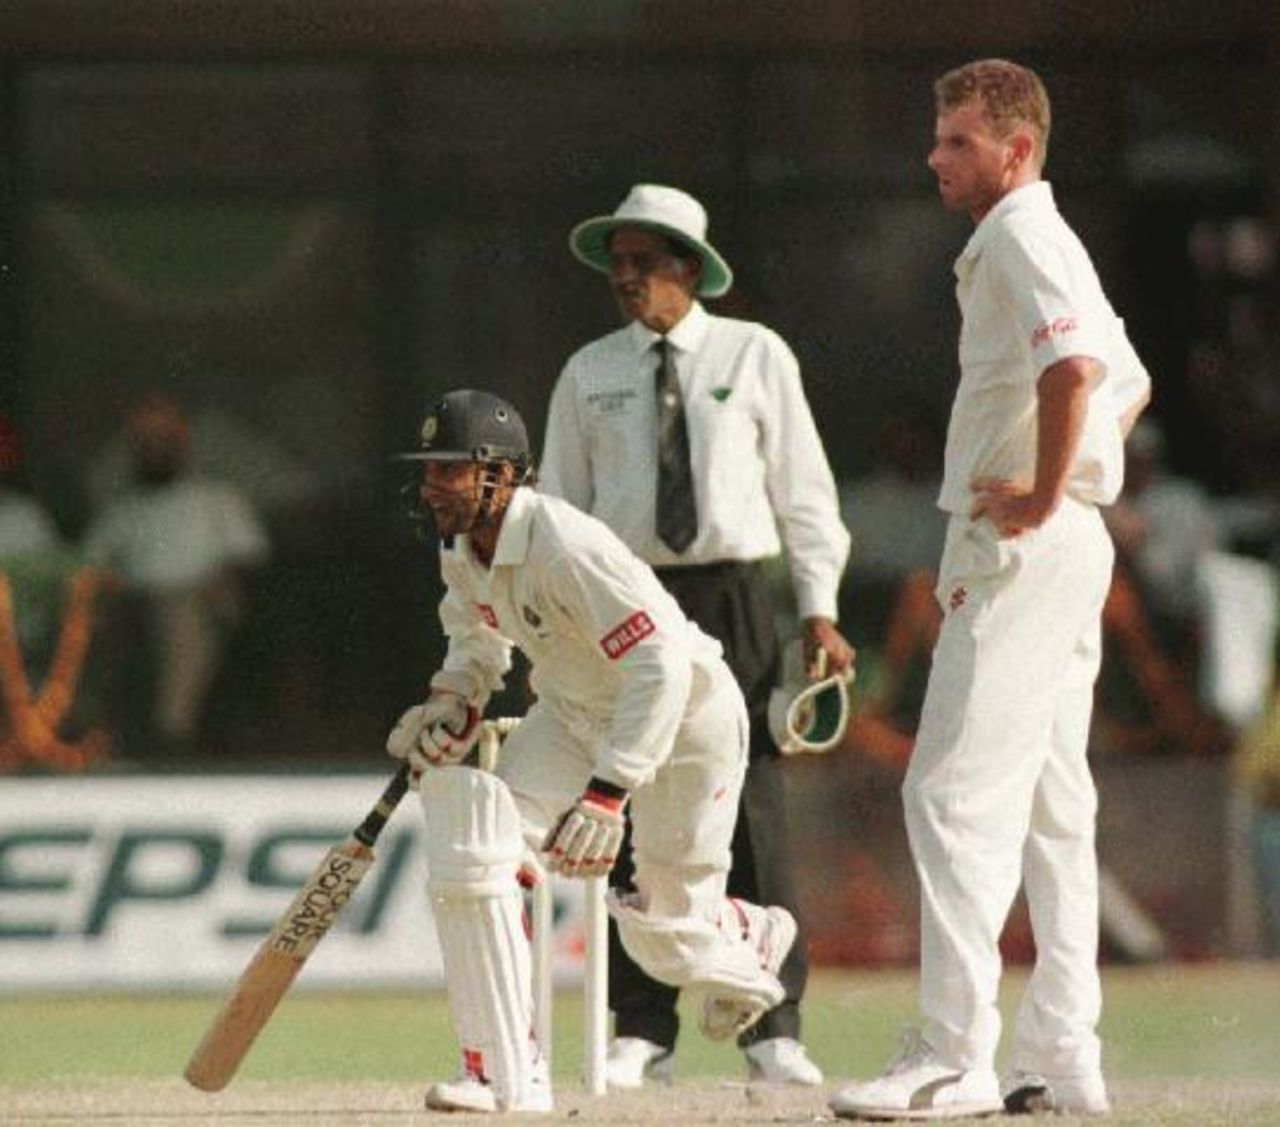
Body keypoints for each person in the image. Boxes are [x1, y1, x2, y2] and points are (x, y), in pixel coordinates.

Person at [829, 60, 1151, 1120]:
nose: (934, 157)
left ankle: (948, 1053)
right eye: (936, 137)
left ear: (1015, 149)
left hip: (1016, 548)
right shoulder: (1044, 238)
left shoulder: (1018, 233)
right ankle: (1060, 1055)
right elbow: (1124, 374)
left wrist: (1040, 490)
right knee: (1054, 807)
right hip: (1065, 545)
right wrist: (1073, 488)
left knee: (950, 792)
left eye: (957, 140)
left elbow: (1074, 372)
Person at [388, 388, 798, 1114]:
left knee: (662, 935)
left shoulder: (566, 544)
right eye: (429, 470)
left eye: (449, 470)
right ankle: (502, 1069)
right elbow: (477, 638)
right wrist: (455, 697)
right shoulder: (460, 546)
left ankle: (751, 933)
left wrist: (611, 791)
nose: (432, 487)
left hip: (686, 718)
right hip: (575, 713)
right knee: (481, 851)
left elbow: (661, 662)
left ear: (500, 475)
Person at [541, 183, 853, 1088]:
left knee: (749, 804)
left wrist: (819, 608)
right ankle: (643, 1025)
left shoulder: (754, 354)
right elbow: (560, 508)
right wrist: (562, 624)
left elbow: (805, 493)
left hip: (733, 594)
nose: (624, 279)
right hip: (627, 598)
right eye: (615, 264)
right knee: (625, 795)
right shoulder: (588, 370)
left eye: (641, 262)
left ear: (689, 267)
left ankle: (771, 1020)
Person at [83, 393, 269, 757]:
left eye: (163, 440)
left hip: (201, 605)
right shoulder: (121, 510)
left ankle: (173, 734)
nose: (155, 449)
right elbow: (90, 570)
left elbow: (247, 560)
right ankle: (105, 739)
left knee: (183, 616)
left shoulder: (217, 498)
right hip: (134, 609)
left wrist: (215, 586)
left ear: (181, 443)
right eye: (146, 442)